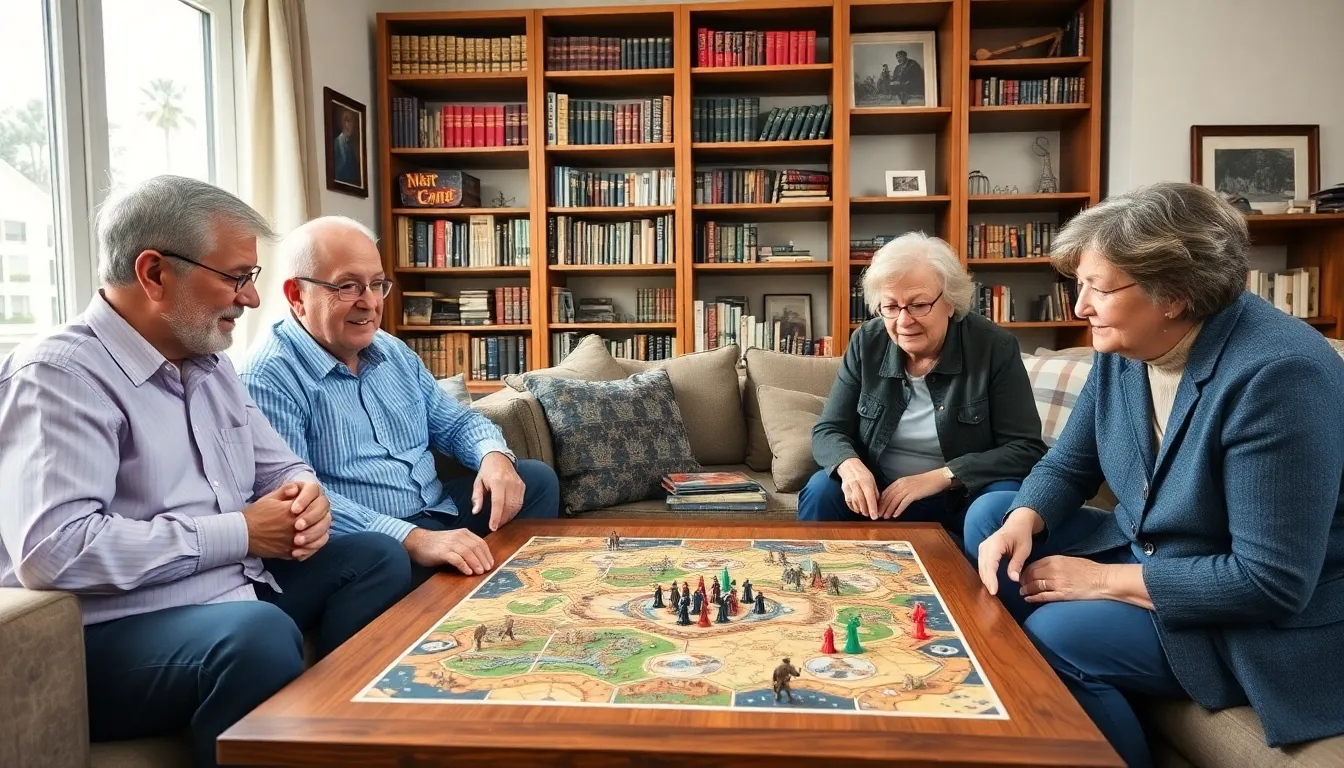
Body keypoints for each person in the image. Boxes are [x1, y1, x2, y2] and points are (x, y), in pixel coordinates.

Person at [0, 176, 410, 768]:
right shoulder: (59, 377)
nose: (249, 298)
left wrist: (306, 499)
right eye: (236, 276)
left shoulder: (210, 364)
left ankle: (345, 734)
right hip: (116, 632)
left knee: (376, 556)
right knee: (257, 634)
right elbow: (54, 550)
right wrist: (243, 532)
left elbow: (284, 468)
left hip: (234, 595)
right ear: (155, 274)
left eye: (251, 278)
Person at [966, 182, 1344, 768]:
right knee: (992, 515)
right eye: (1080, 283)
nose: (1079, 306)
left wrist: (1098, 583)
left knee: (1058, 634)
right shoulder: (1128, 347)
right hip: (1156, 552)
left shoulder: (1281, 377)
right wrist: (1024, 516)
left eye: (1100, 288)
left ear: (1173, 295)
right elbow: (1070, 462)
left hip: (1248, 615)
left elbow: (1269, 581)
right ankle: (1028, 706)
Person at [238, 216, 559, 588]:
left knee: (534, 480)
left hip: (438, 509)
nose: (370, 303)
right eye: (348, 286)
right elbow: (301, 503)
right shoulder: (267, 376)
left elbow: (455, 424)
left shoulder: (391, 350)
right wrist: (416, 539)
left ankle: (513, 596)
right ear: (297, 295)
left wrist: (495, 458)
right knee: (385, 557)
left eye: (377, 285)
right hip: (366, 542)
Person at [802, 232, 1046, 540]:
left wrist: (942, 477)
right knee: (821, 489)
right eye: (890, 306)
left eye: (918, 305)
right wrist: (849, 466)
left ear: (950, 302)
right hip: (881, 496)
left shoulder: (994, 347)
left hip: (964, 498)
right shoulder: (867, 341)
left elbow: (1026, 449)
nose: (903, 321)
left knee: (996, 506)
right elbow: (828, 430)